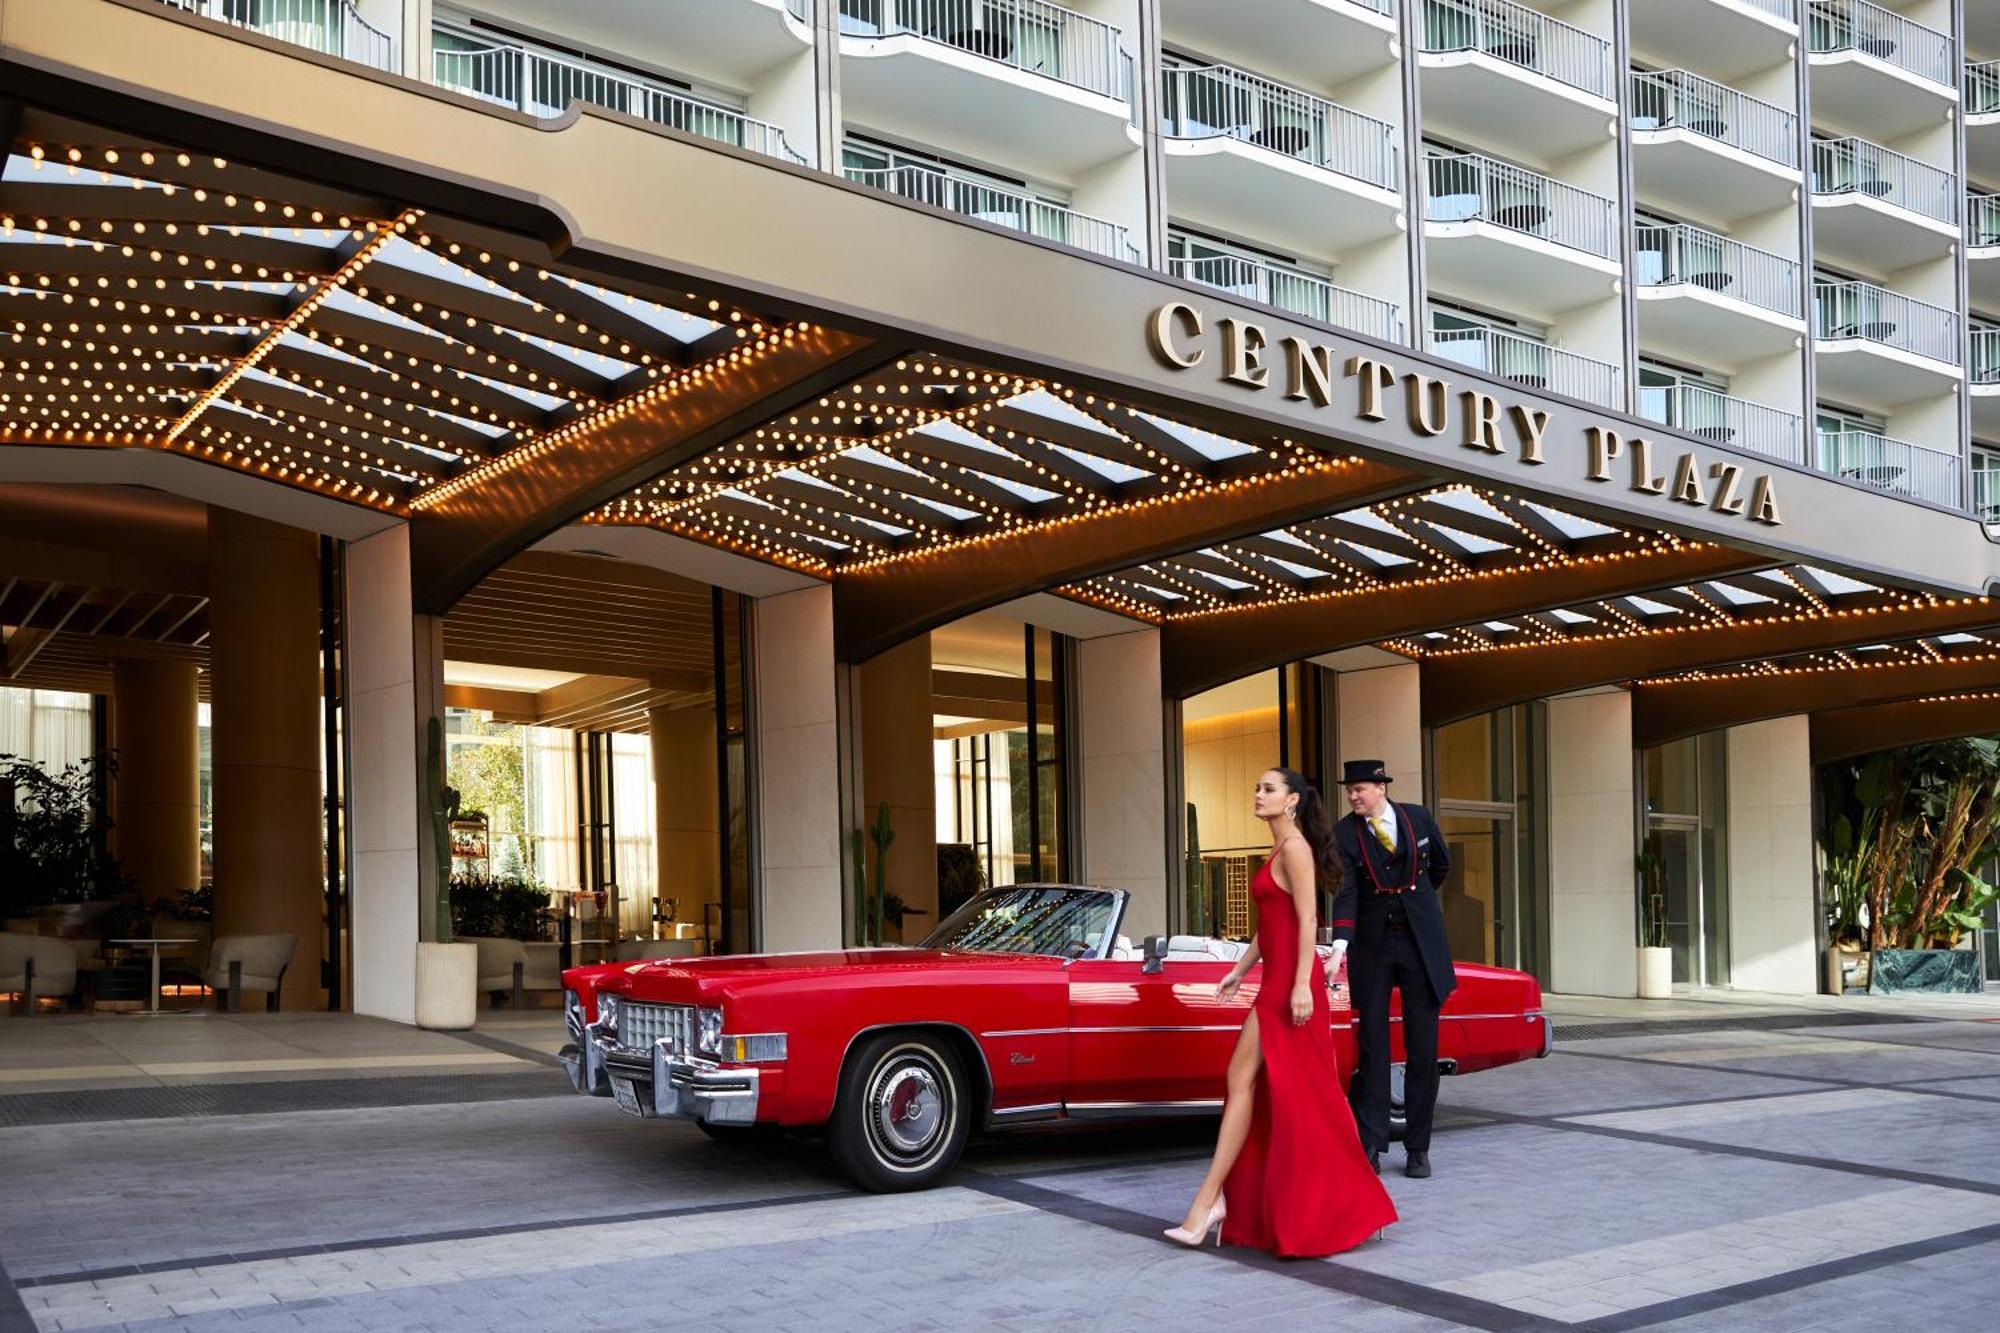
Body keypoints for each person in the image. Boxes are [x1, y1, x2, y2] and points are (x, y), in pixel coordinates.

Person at [1165, 767, 1399, 1255]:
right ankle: (1221, 1202)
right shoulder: (1278, 849)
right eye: (1256, 788)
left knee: (1286, 1093)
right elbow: (1270, 925)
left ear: (1291, 801)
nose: (1258, 795)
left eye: (1268, 789)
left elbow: (1307, 921)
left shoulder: (1294, 849)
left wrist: (1299, 987)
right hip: (1274, 982)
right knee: (1284, 1095)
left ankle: (1209, 1203)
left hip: (1292, 987)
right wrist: (1239, 969)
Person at [1328, 759, 1455, 1179]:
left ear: (1380, 787)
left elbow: (1440, 865)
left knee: (1423, 1051)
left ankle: (1418, 1148)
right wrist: (1340, 943)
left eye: (1359, 789)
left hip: (1420, 944)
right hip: (1374, 946)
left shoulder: (1416, 817)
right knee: (1373, 1049)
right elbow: (1345, 890)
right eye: (1349, 791)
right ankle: (1371, 1145)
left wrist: (1412, 903)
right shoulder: (1345, 833)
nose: (1352, 796)